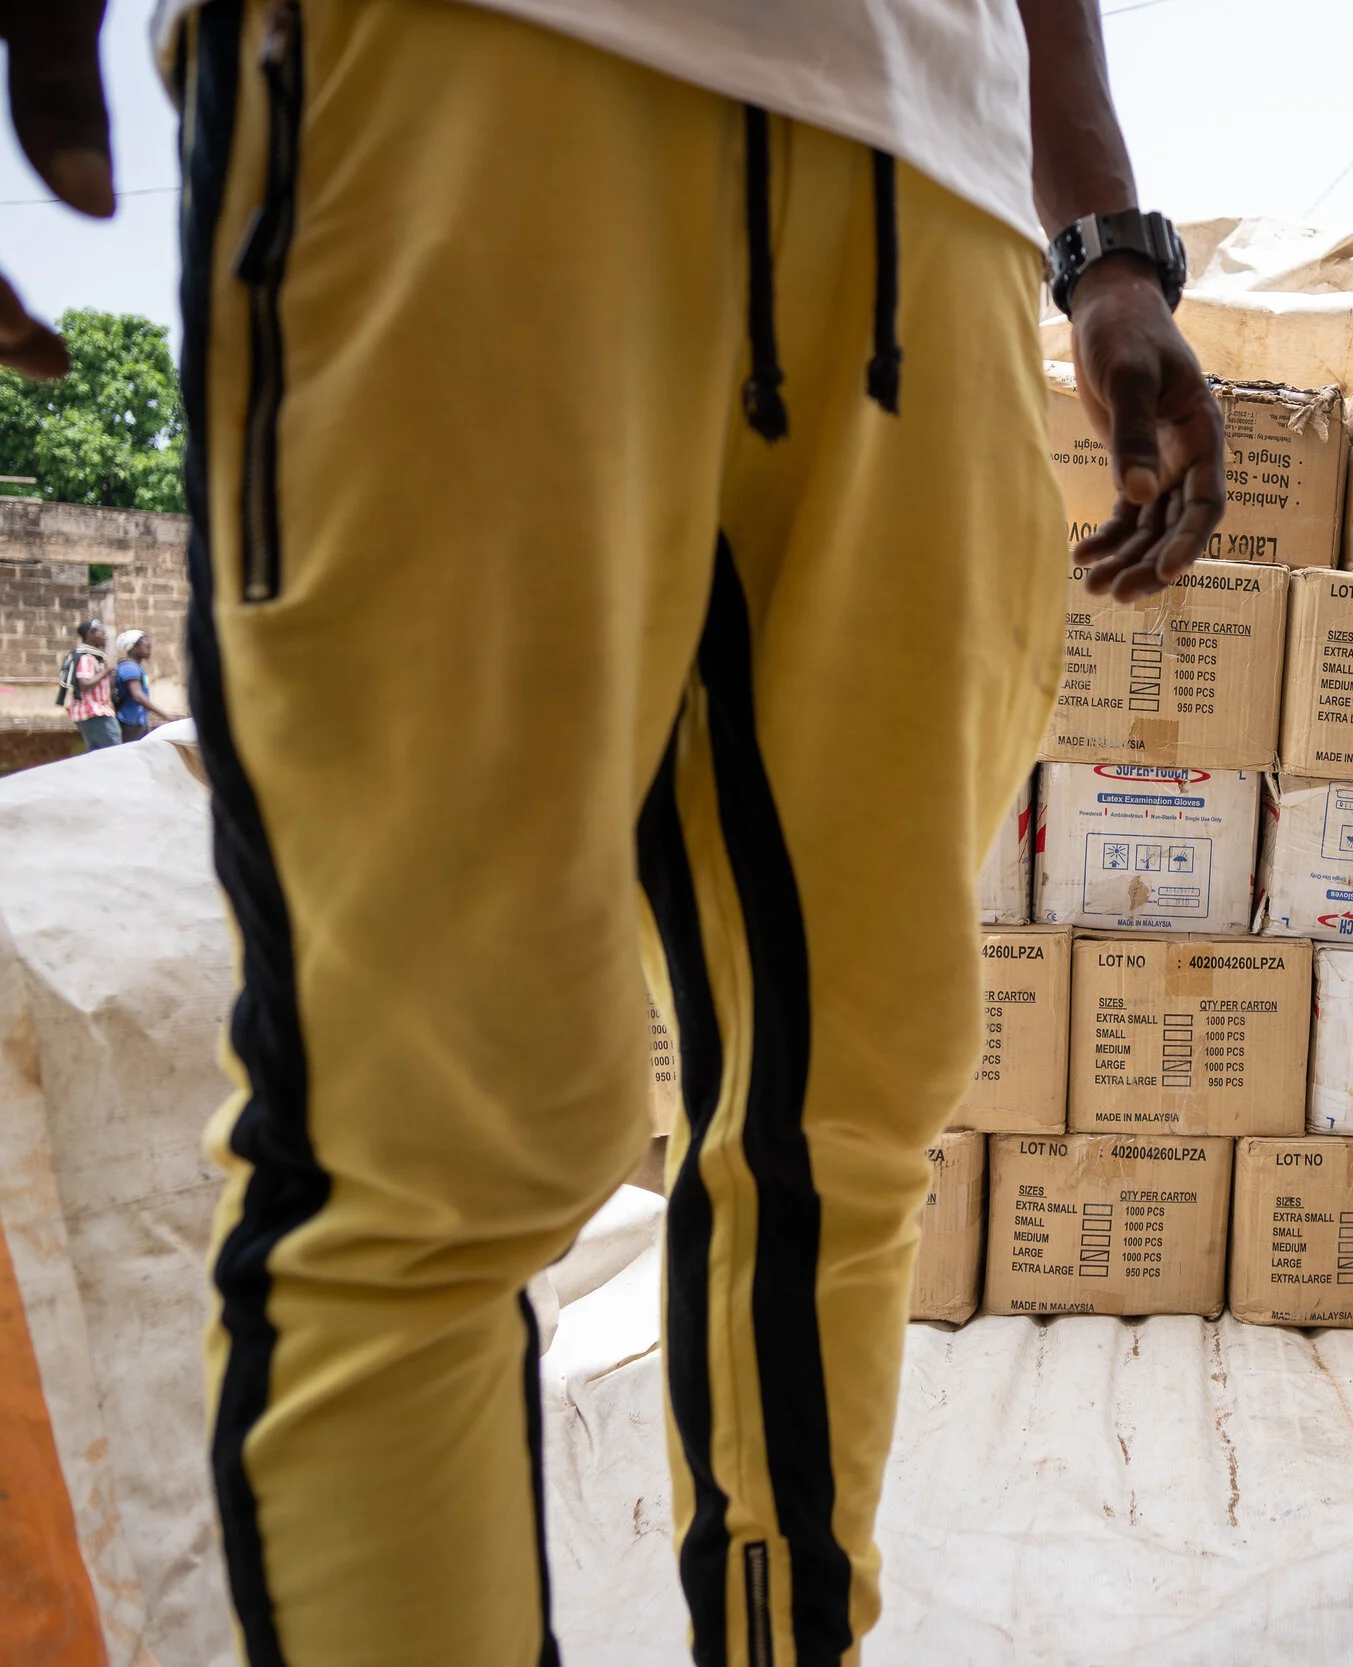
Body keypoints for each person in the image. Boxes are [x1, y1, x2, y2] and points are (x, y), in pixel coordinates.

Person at [9, 1, 1219, 1662]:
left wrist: (1103, 245)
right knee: (419, 1135)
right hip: (453, 66)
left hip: (929, 186)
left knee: (843, 1119)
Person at [62, 617, 119, 751]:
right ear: (90, 635)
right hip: (94, 712)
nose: (105, 636)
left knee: (97, 755)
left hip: (90, 714)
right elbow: (84, 683)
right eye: (101, 633)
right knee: (114, 753)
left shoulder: (93, 656)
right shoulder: (87, 657)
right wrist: (107, 670)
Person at [113, 628, 176, 741]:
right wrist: (165, 715)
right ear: (134, 647)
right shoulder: (129, 668)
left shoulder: (136, 667)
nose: (149, 650)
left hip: (137, 721)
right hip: (130, 722)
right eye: (146, 647)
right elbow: (137, 696)